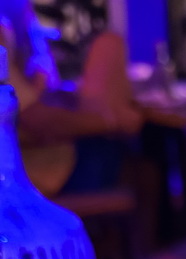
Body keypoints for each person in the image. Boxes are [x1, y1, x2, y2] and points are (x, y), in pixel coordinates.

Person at [0, 0, 141, 194]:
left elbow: (28, 105)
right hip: (31, 180)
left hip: (36, 163)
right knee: (132, 152)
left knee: (143, 148)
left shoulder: (18, 25)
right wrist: (113, 121)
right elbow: (31, 118)